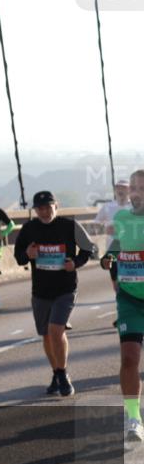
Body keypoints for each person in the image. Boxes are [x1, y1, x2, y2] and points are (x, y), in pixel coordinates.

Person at [13, 190, 96, 397]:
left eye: (48, 207)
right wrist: (27, 254)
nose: (44, 212)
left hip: (65, 289)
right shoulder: (29, 228)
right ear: (35, 210)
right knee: (47, 336)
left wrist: (75, 263)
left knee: (56, 330)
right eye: (40, 208)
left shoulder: (69, 226)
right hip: (40, 291)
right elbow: (18, 257)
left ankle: (62, 374)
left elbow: (89, 249)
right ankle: (56, 373)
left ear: (56, 206)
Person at [100, 170, 144, 447]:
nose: (137, 192)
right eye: (135, 188)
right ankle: (133, 418)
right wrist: (109, 259)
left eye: (142, 188)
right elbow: (118, 246)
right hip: (129, 298)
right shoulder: (121, 217)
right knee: (129, 359)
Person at [97, 179, 132, 298]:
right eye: (118, 187)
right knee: (116, 283)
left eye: (124, 188)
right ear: (115, 190)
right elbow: (96, 225)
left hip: (133, 250)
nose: (121, 190)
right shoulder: (107, 207)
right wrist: (105, 229)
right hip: (113, 250)